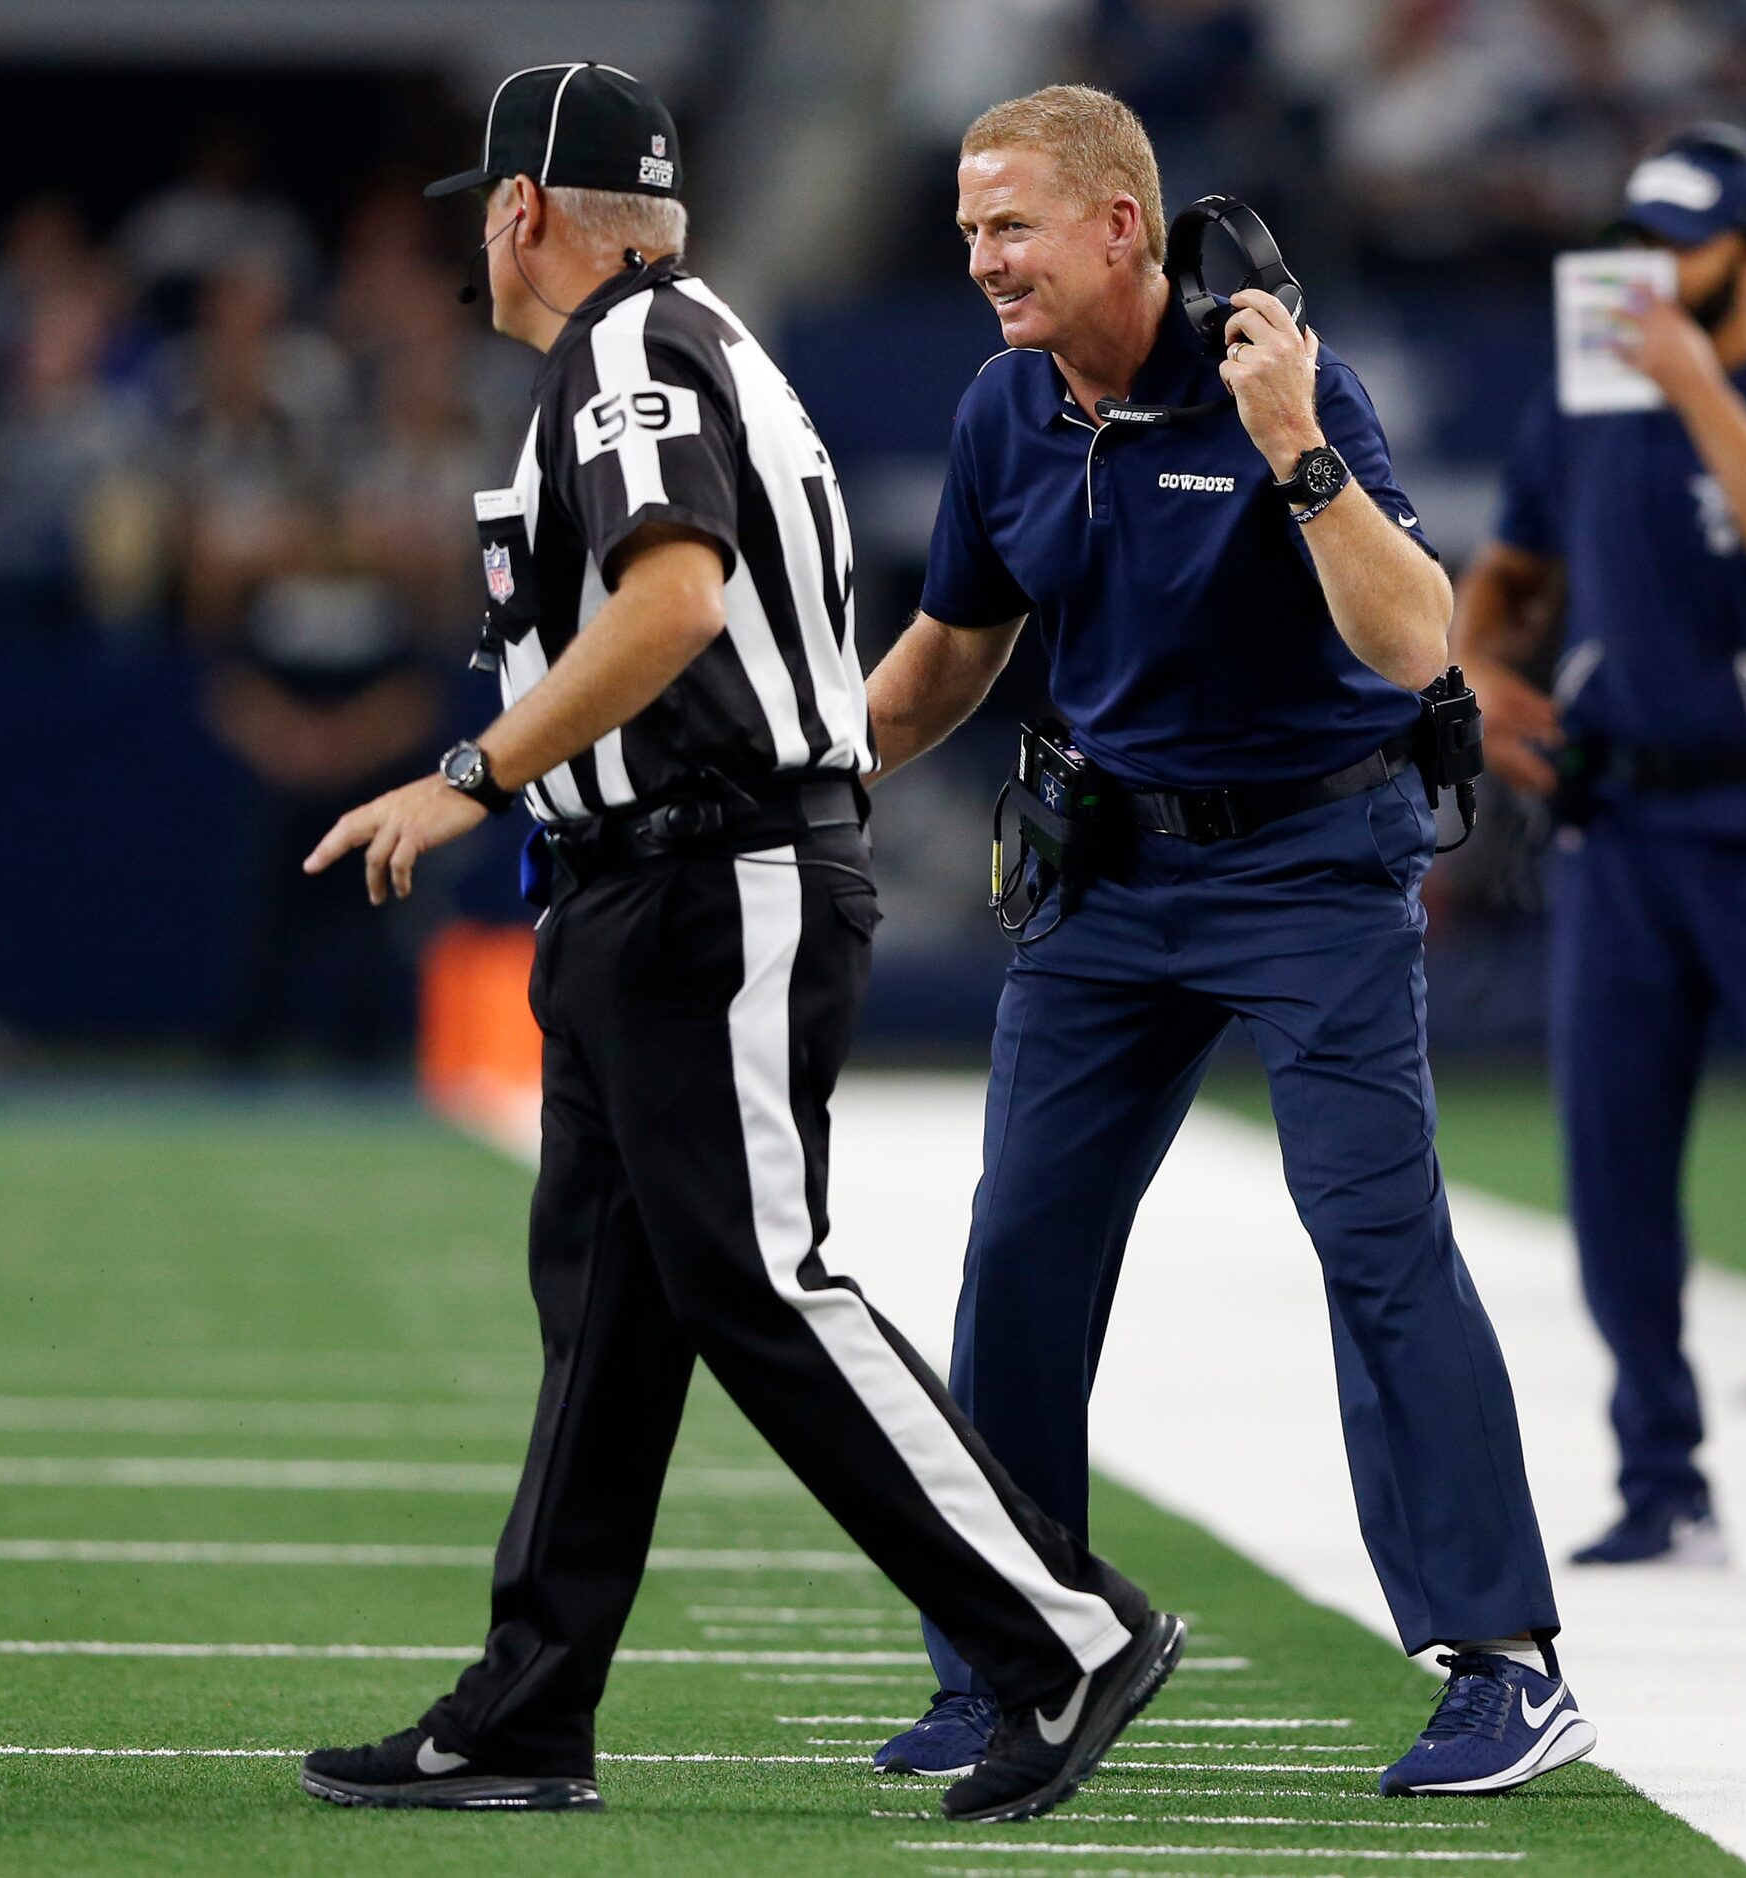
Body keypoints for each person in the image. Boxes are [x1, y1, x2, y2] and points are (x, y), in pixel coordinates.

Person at [294, 62, 1183, 1825]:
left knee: (757, 1279)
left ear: (527, 210)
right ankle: (528, 1704)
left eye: (486, 204)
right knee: (616, 1307)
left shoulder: (628, 349)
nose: (479, 236)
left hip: (714, 875)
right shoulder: (678, 335)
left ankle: (1065, 1629)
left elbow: (672, 594)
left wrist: (473, 772)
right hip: (656, 878)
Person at [863, 84, 1593, 1799]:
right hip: (1106, 874)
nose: (981, 260)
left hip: (1309, 866)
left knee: (1373, 1234)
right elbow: (952, 650)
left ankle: (1505, 1660)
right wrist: (799, 771)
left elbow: (1423, 640)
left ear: (1122, 225)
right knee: (1020, 1252)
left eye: (1012, 225)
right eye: (970, 230)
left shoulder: (1286, 376)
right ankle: (1011, 1652)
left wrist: (1297, 446)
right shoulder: (1001, 410)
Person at [1452, 125, 1746, 1568]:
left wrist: (1698, 387)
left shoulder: (1721, 381)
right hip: (1623, 824)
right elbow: (1515, 571)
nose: (1650, 271)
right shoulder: (1584, 401)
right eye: (1635, 239)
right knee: (1611, 1164)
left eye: (1683, 244)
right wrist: (1474, 669)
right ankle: (1662, 1474)